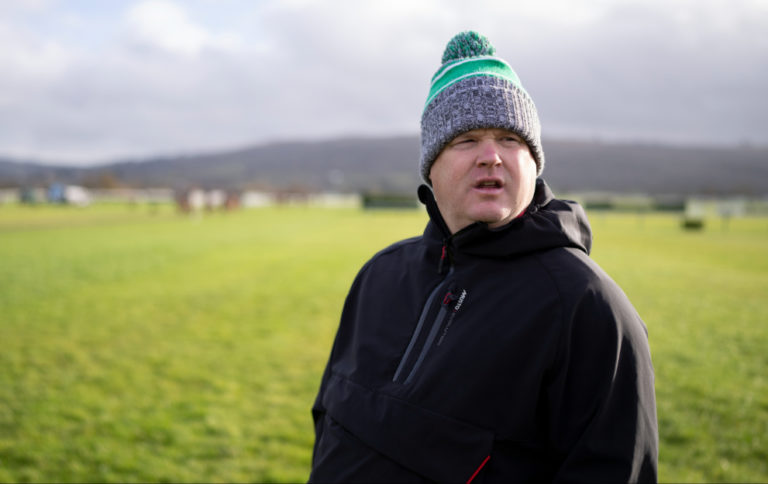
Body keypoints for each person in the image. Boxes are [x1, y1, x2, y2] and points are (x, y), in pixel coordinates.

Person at [309, 31, 658, 483]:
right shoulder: (379, 275)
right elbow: (329, 420)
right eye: (467, 140)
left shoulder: (588, 308)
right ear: (431, 166)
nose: (491, 157)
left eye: (510, 139)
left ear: (534, 164)